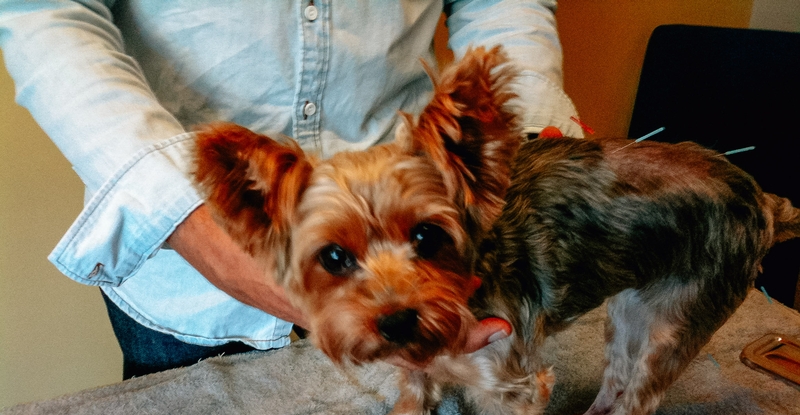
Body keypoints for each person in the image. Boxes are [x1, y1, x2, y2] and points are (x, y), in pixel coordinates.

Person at [0, 1, 582, 379]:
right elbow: (46, 11)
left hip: (431, 249)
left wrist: (511, 146)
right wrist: (184, 218)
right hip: (189, 277)